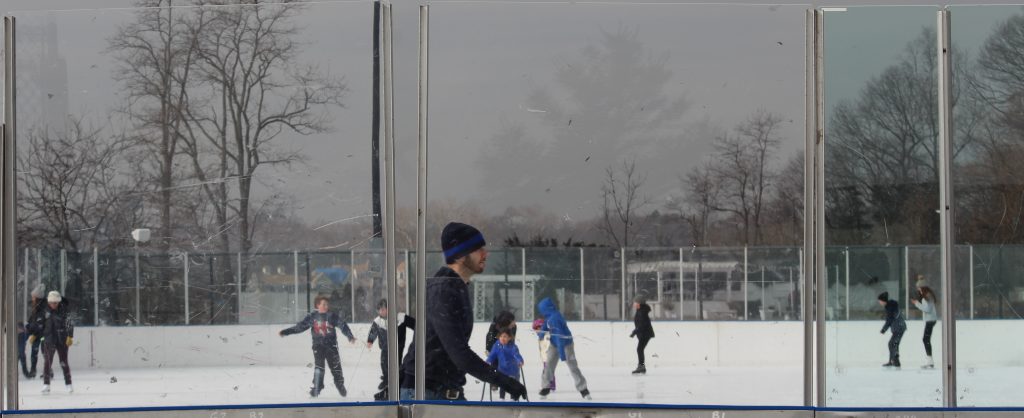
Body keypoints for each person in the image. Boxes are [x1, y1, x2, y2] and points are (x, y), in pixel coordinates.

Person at [398, 222, 527, 401]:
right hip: (428, 393)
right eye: (477, 249)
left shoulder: (453, 287)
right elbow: (459, 353)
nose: (485, 254)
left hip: (439, 391)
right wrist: (503, 381)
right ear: (459, 256)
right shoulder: (444, 290)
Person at [279, 295, 357, 398]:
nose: (326, 306)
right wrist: (286, 332)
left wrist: (350, 336)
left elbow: (342, 325)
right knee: (319, 367)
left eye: (327, 304)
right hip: (318, 347)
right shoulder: (312, 317)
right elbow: (300, 327)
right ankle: (317, 387)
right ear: (317, 305)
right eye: (323, 304)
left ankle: (340, 384)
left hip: (331, 346)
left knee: (336, 367)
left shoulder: (332, 316)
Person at [537, 297, 591, 400]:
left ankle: (583, 389)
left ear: (546, 308)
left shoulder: (555, 318)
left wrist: (562, 353)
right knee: (549, 365)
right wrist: (541, 334)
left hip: (566, 344)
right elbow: (546, 325)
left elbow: (559, 337)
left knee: (572, 366)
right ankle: (545, 387)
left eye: (542, 309)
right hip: (554, 343)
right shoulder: (550, 316)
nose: (541, 311)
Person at [367, 298, 414, 400]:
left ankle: (394, 381)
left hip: (398, 347)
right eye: (380, 310)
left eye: (384, 309)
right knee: (384, 363)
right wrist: (370, 340)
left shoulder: (400, 317)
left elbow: (414, 324)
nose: (382, 311)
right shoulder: (377, 321)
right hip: (384, 347)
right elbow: (373, 332)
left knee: (396, 364)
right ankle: (386, 379)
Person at [35, 291, 74, 394]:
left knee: (64, 362)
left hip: (62, 339)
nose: (53, 304)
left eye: (55, 302)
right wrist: (36, 334)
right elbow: (39, 323)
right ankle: (46, 384)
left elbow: (69, 323)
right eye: (51, 302)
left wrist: (70, 336)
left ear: (59, 302)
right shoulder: (44, 310)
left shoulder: (64, 310)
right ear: (49, 302)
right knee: (47, 362)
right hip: (49, 340)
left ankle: (68, 384)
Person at [485, 329, 524, 400]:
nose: (502, 338)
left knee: (512, 385)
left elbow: (516, 355)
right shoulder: (497, 345)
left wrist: (519, 361)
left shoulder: (512, 347)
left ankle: (513, 398)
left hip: (513, 370)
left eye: (505, 337)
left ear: (509, 338)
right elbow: (492, 355)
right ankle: (501, 398)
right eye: (501, 336)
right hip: (502, 369)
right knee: (502, 384)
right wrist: (488, 361)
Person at [484, 310, 517, 394]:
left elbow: (512, 339)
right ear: (506, 322)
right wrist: (489, 350)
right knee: (495, 360)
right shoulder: (494, 326)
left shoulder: (513, 327)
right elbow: (490, 338)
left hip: (506, 345)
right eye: (512, 321)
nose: (514, 323)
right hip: (494, 344)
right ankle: (494, 382)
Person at [911, 279, 939, 369]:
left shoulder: (928, 296)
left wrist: (917, 304)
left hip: (930, 320)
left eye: (919, 288)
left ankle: (930, 362)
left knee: (925, 339)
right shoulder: (927, 296)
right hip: (930, 320)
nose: (918, 290)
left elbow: (928, 309)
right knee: (925, 339)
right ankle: (930, 361)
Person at [878, 291, 906, 368]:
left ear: (883, 301)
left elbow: (889, 319)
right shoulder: (890, 306)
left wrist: (884, 329)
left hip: (899, 327)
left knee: (892, 343)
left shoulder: (890, 307)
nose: (879, 303)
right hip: (899, 327)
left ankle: (894, 360)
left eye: (880, 301)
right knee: (893, 343)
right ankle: (893, 360)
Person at [24, 283, 46, 378]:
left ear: (37, 297)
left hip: (43, 335)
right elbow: (32, 321)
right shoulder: (35, 308)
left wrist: (32, 332)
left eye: (33, 297)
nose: (32, 298)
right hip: (37, 335)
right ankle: (33, 371)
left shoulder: (43, 308)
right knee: (34, 352)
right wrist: (27, 327)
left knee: (44, 351)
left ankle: (48, 371)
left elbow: (40, 324)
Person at [630, 296, 655, 375]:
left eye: (636, 302)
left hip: (645, 334)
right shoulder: (640, 310)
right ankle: (641, 367)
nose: (634, 303)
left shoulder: (642, 312)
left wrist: (634, 332)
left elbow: (642, 324)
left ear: (639, 303)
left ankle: (641, 367)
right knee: (640, 349)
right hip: (644, 333)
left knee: (639, 349)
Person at [531, 316, 556, 391]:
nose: (537, 331)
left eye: (539, 329)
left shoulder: (546, 336)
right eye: (536, 329)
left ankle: (548, 386)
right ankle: (551, 385)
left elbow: (549, 345)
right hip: (545, 358)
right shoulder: (540, 337)